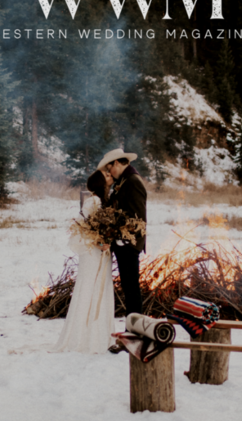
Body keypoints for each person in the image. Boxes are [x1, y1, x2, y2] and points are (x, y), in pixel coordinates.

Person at [53, 169, 115, 354]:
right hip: (92, 253)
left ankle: (97, 334)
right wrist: (99, 241)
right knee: (91, 288)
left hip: (98, 251)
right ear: (100, 183)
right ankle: (86, 337)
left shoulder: (102, 201)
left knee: (99, 289)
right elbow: (80, 227)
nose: (111, 176)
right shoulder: (94, 201)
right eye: (107, 176)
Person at [97, 148, 147, 354]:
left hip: (128, 244)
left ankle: (134, 336)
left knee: (132, 291)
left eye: (110, 169)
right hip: (122, 243)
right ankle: (131, 334)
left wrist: (120, 238)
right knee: (129, 290)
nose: (110, 173)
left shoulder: (133, 182)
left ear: (117, 163)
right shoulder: (123, 182)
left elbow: (136, 218)